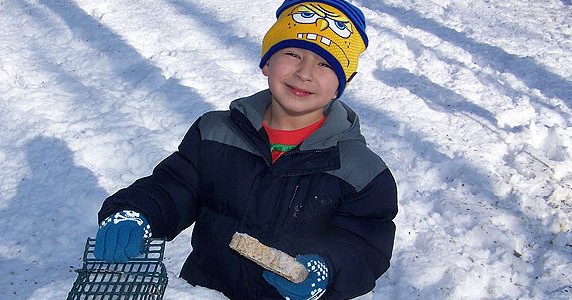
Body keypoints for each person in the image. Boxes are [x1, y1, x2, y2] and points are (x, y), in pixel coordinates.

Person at [93, 0, 398, 299]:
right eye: (292, 53)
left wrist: (328, 268)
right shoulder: (214, 133)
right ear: (267, 62)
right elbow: (174, 187)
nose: (305, 73)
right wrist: (136, 211)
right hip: (207, 291)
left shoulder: (362, 171)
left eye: (325, 64)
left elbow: (364, 244)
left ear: (342, 83)